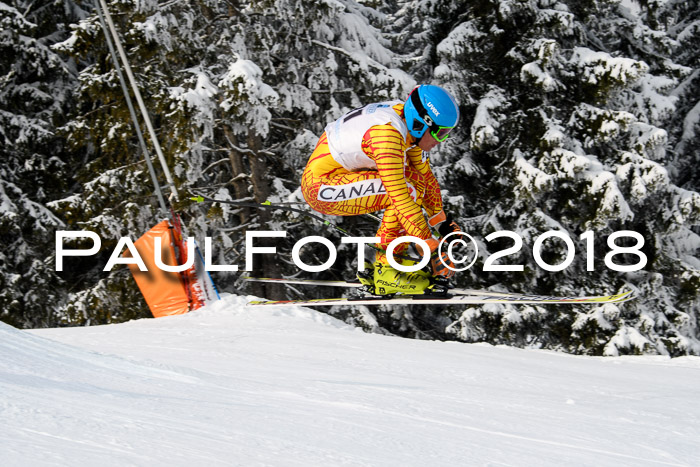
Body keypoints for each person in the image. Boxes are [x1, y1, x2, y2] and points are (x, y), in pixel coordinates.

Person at [301, 84, 462, 295]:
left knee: (415, 180)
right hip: (320, 186)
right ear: (422, 123)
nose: (442, 140)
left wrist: (440, 222)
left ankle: (389, 263)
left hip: (340, 175)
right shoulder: (387, 136)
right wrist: (429, 247)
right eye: (441, 133)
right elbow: (400, 197)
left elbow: (425, 175)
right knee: (408, 189)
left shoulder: (406, 122)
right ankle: (387, 270)